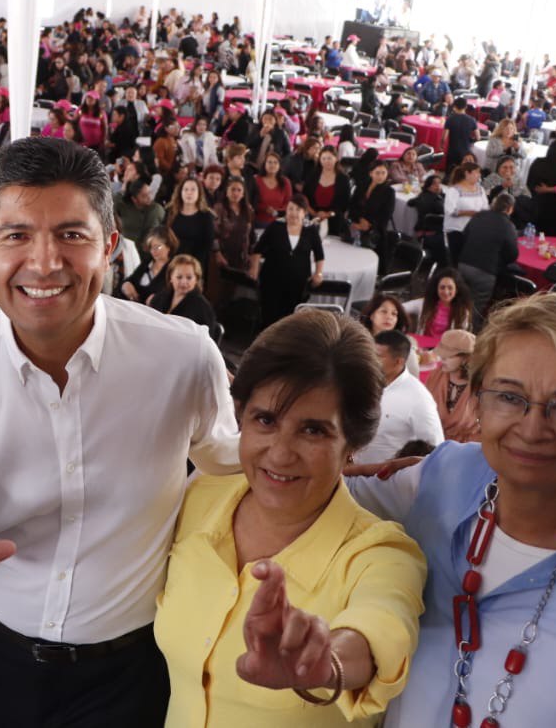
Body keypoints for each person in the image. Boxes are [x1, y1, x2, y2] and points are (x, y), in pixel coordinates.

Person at [0, 137, 240, 726]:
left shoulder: (183, 358)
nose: (44, 263)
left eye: (72, 234)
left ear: (110, 246)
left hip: (138, 665)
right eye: (16, 236)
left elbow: (235, 469)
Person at [158, 310, 426, 727]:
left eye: (314, 431)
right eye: (266, 420)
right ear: (241, 416)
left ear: (353, 442)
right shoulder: (200, 497)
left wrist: (323, 665)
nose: (281, 453)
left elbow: (381, 628)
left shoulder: (382, 555)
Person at [348, 293, 556, 727]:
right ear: (478, 402)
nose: (532, 428)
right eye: (508, 396)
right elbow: (312, 490)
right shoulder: (443, 477)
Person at [358, 330, 444, 465]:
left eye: (378, 356)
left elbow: (435, 449)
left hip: (386, 480)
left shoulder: (418, 398)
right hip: (347, 474)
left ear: (398, 362)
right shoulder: (360, 380)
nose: (371, 360)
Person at [250, 195, 326, 327]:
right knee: (270, 317)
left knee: (291, 319)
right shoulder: (275, 226)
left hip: (298, 282)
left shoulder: (311, 230)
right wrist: (254, 268)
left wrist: (318, 274)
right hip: (272, 280)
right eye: (290, 209)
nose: (294, 213)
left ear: (304, 213)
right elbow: (257, 250)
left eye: (298, 209)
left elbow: (319, 255)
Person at [458, 193, 519, 324]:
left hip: (463, 264)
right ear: (510, 209)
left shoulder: (479, 215)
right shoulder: (508, 226)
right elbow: (512, 254)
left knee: (458, 299)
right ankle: (467, 335)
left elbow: (464, 236)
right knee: (475, 308)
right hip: (485, 272)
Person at [424, 328, 481, 442]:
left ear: (467, 358)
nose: (442, 359)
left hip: (467, 448)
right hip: (432, 442)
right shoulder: (436, 375)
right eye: (442, 354)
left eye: (449, 356)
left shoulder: (481, 385)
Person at [150, 253, 217, 330]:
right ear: (171, 278)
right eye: (179, 277)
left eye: (189, 278)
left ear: (196, 280)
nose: (184, 282)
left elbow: (206, 339)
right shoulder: (160, 297)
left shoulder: (203, 307)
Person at [166, 177, 217, 273]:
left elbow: (207, 244)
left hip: (195, 264)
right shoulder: (170, 211)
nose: (189, 193)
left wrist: (192, 266)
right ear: (180, 192)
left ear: (199, 193)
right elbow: (164, 237)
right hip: (171, 262)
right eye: (186, 189)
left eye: (193, 189)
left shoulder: (206, 215)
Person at [120, 226, 177, 306]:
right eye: (151, 247)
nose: (153, 251)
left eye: (158, 247)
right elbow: (130, 279)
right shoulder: (147, 263)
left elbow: (174, 295)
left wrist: (157, 300)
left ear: (169, 246)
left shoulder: (175, 267)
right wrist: (125, 284)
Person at [303, 146, 351, 237]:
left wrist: (327, 214)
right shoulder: (313, 175)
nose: (326, 161)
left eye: (329, 158)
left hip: (334, 220)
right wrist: (314, 213)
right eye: (323, 158)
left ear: (336, 159)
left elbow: (344, 204)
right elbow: (304, 196)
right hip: (313, 218)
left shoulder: (343, 179)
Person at [443, 162, 486, 262]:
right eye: (477, 173)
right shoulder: (454, 190)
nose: (479, 175)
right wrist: (468, 213)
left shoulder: (480, 190)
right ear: (467, 173)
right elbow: (450, 211)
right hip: (457, 230)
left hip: (475, 229)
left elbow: (485, 207)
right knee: (458, 258)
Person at [416, 267, 474, 338]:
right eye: (442, 287)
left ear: (457, 290)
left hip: (447, 347)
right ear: (436, 289)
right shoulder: (424, 303)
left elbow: (460, 338)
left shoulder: (463, 312)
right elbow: (402, 307)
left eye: (450, 288)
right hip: (422, 346)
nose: (446, 292)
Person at [213, 176, 253, 272]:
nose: (235, 193)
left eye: (239, 190)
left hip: (242, 257)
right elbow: (212, 234)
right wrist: (217, 254)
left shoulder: (248, 209)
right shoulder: (219, 208)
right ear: (227, 192)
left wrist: (250, 254)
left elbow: (249, 234)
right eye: (233, 189)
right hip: (222, 256)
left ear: (243, 194)